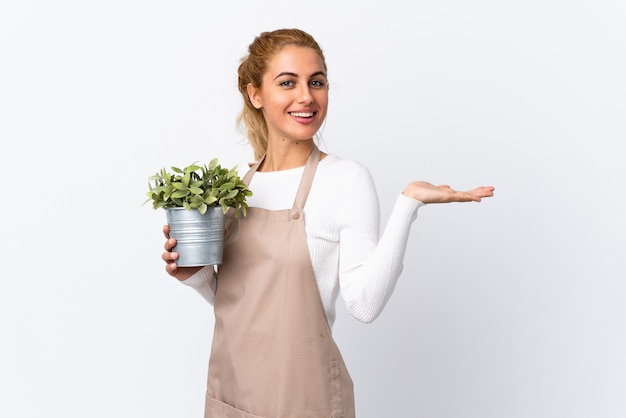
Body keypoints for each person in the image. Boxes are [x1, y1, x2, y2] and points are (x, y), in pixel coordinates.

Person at [161, 28, 494, 418]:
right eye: (288, 83)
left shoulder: (345, 180)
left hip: (305, 402)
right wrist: (195, 274)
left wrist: (408, 205)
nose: (306, 96)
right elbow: (238, 305)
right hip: (232, 398)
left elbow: (364, 304)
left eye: (316, 82)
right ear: (255, 94)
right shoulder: (236, 184)